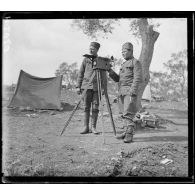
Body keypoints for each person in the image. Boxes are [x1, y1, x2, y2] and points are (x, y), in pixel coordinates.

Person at [107, 42, 142, 143]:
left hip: (130, 91)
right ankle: (125, 132)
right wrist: (110, 71)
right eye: (121, 51)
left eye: (125, 51)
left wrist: (132, 92)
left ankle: (129, 135)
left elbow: (137, 78)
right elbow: (118, 79)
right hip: (122, 92)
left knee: (128, 113)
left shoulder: (135, 62)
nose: (123, 53)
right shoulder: (123, 64)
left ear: (131, 51)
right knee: (123, 114)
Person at [76, 42, 106, 134]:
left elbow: (104, 76)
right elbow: (80, 73)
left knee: (95, 107)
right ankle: (86, 127)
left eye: (93, 48)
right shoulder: (86, 60)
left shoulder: (101, 60)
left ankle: (93, 127)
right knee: (86, 107)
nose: (90, 50)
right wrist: (78, 86)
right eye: (90, 48)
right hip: (86, 87)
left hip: (97, 88)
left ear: (97, 50)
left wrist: (104, 88)